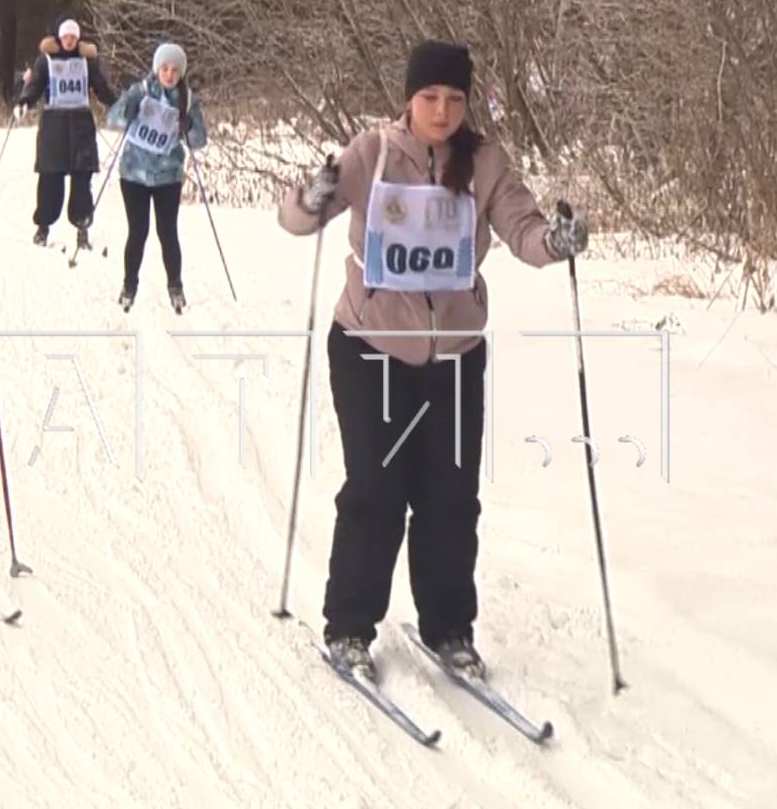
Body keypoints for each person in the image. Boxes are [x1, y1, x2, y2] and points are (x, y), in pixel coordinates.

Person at [277, 40, 589, 681]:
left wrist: (557, 242)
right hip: (371, 348)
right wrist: (313, 194)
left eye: (453, 98)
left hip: (453, 355)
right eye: (429, 98)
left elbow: (523, 231)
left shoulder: (485, 163)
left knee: (451, 496)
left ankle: (449, 629)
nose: (441, 110)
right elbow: (297, 220)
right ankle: (350, 628)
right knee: (376, 490)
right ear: (408, 99)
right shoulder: (374, 153)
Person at [104, 42, 207, 313]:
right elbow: (112, 118)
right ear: (156, 68)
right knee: (138, 232)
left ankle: (175, 286)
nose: (169, 74)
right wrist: (126, 109)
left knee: (167, 232)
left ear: (181, 73)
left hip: (167, 177)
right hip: (134, 174)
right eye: (165, 68)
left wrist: (189, 127)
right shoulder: (140, 91)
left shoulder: (188, 100)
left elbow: (199, 141)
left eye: (175, 70)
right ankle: (129, 286)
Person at [13, 18, 118, 249]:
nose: (69, 41)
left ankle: (82, 229)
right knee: (50, 179)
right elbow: (36, 85)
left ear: (78, 38)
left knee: (82, 180)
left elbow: (101, 88)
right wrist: (24, 102)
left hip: (81, 126)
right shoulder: (46, 61)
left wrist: (117, 104)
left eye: (73, 37)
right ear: (60, 38)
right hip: (54, 127)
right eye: (66, 37)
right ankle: (43, 228)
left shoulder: (87, 62)